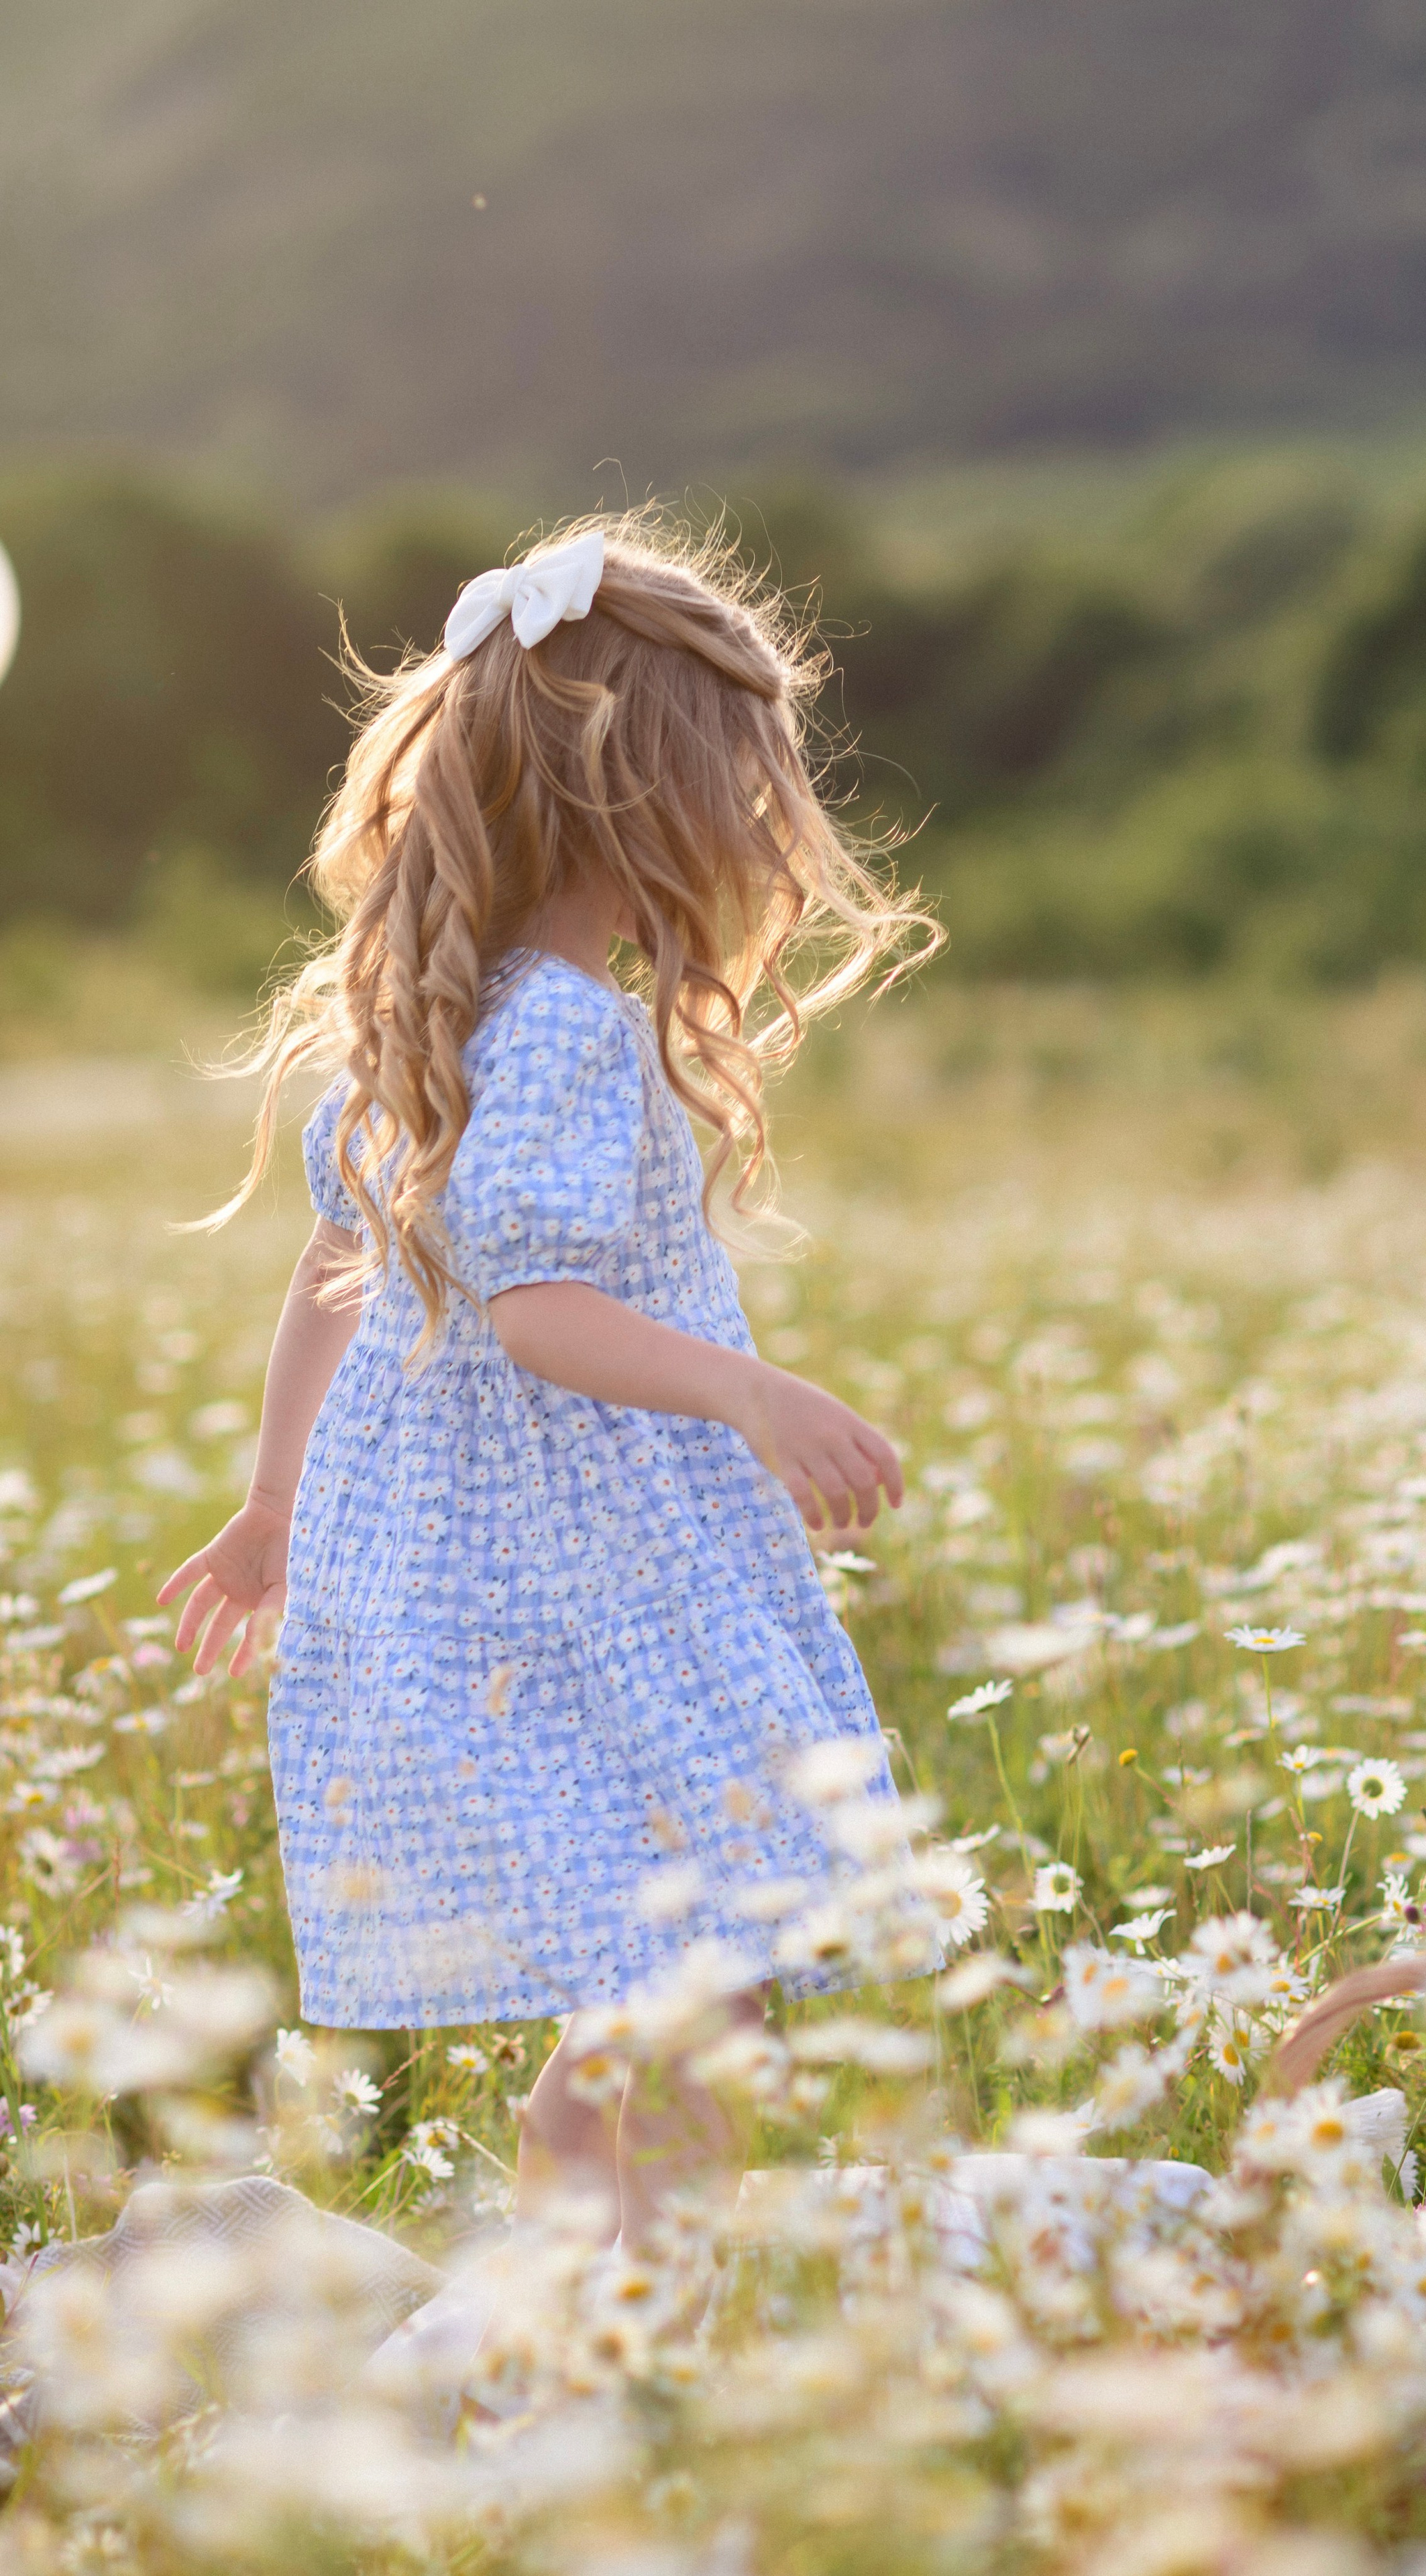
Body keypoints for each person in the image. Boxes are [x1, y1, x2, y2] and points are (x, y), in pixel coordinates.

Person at [160, 517, 936, 2244]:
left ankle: (597, 2296)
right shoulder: (573, 1029)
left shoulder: (456, 1018)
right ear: (661, 801)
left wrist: (277, 1504)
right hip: (594, 1577)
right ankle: (611, 2311)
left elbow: (334, 1277)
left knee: (664, 1973)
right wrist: (752, 1392)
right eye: (751, 780)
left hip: (499, 1574)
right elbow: (538, 1309)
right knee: (693, 1972)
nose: (764, 823)